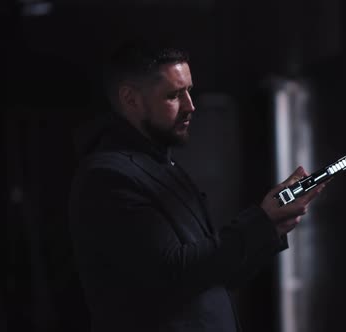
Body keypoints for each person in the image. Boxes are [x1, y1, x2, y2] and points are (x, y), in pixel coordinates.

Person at [68, 40, 325, 332]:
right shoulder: (108, 177)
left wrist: (274, 225)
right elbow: (174, 274)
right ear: (130, 99)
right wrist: (262, 219)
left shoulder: (160, 167)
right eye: (174, 95)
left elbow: (213, 274)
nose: (191, 106)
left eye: (189, 91)